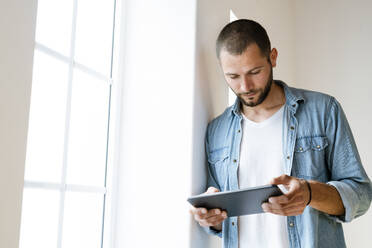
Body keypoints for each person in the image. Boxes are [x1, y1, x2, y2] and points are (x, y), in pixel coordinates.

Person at [190, 19, 372, 248]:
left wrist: (309, 193)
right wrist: (213, 220)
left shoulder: (323, 110)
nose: (245, 86)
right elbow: (223, 222)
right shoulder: (216, 131)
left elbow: (361, 195)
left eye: (254, 72)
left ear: (273, 57)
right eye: (233, 77)